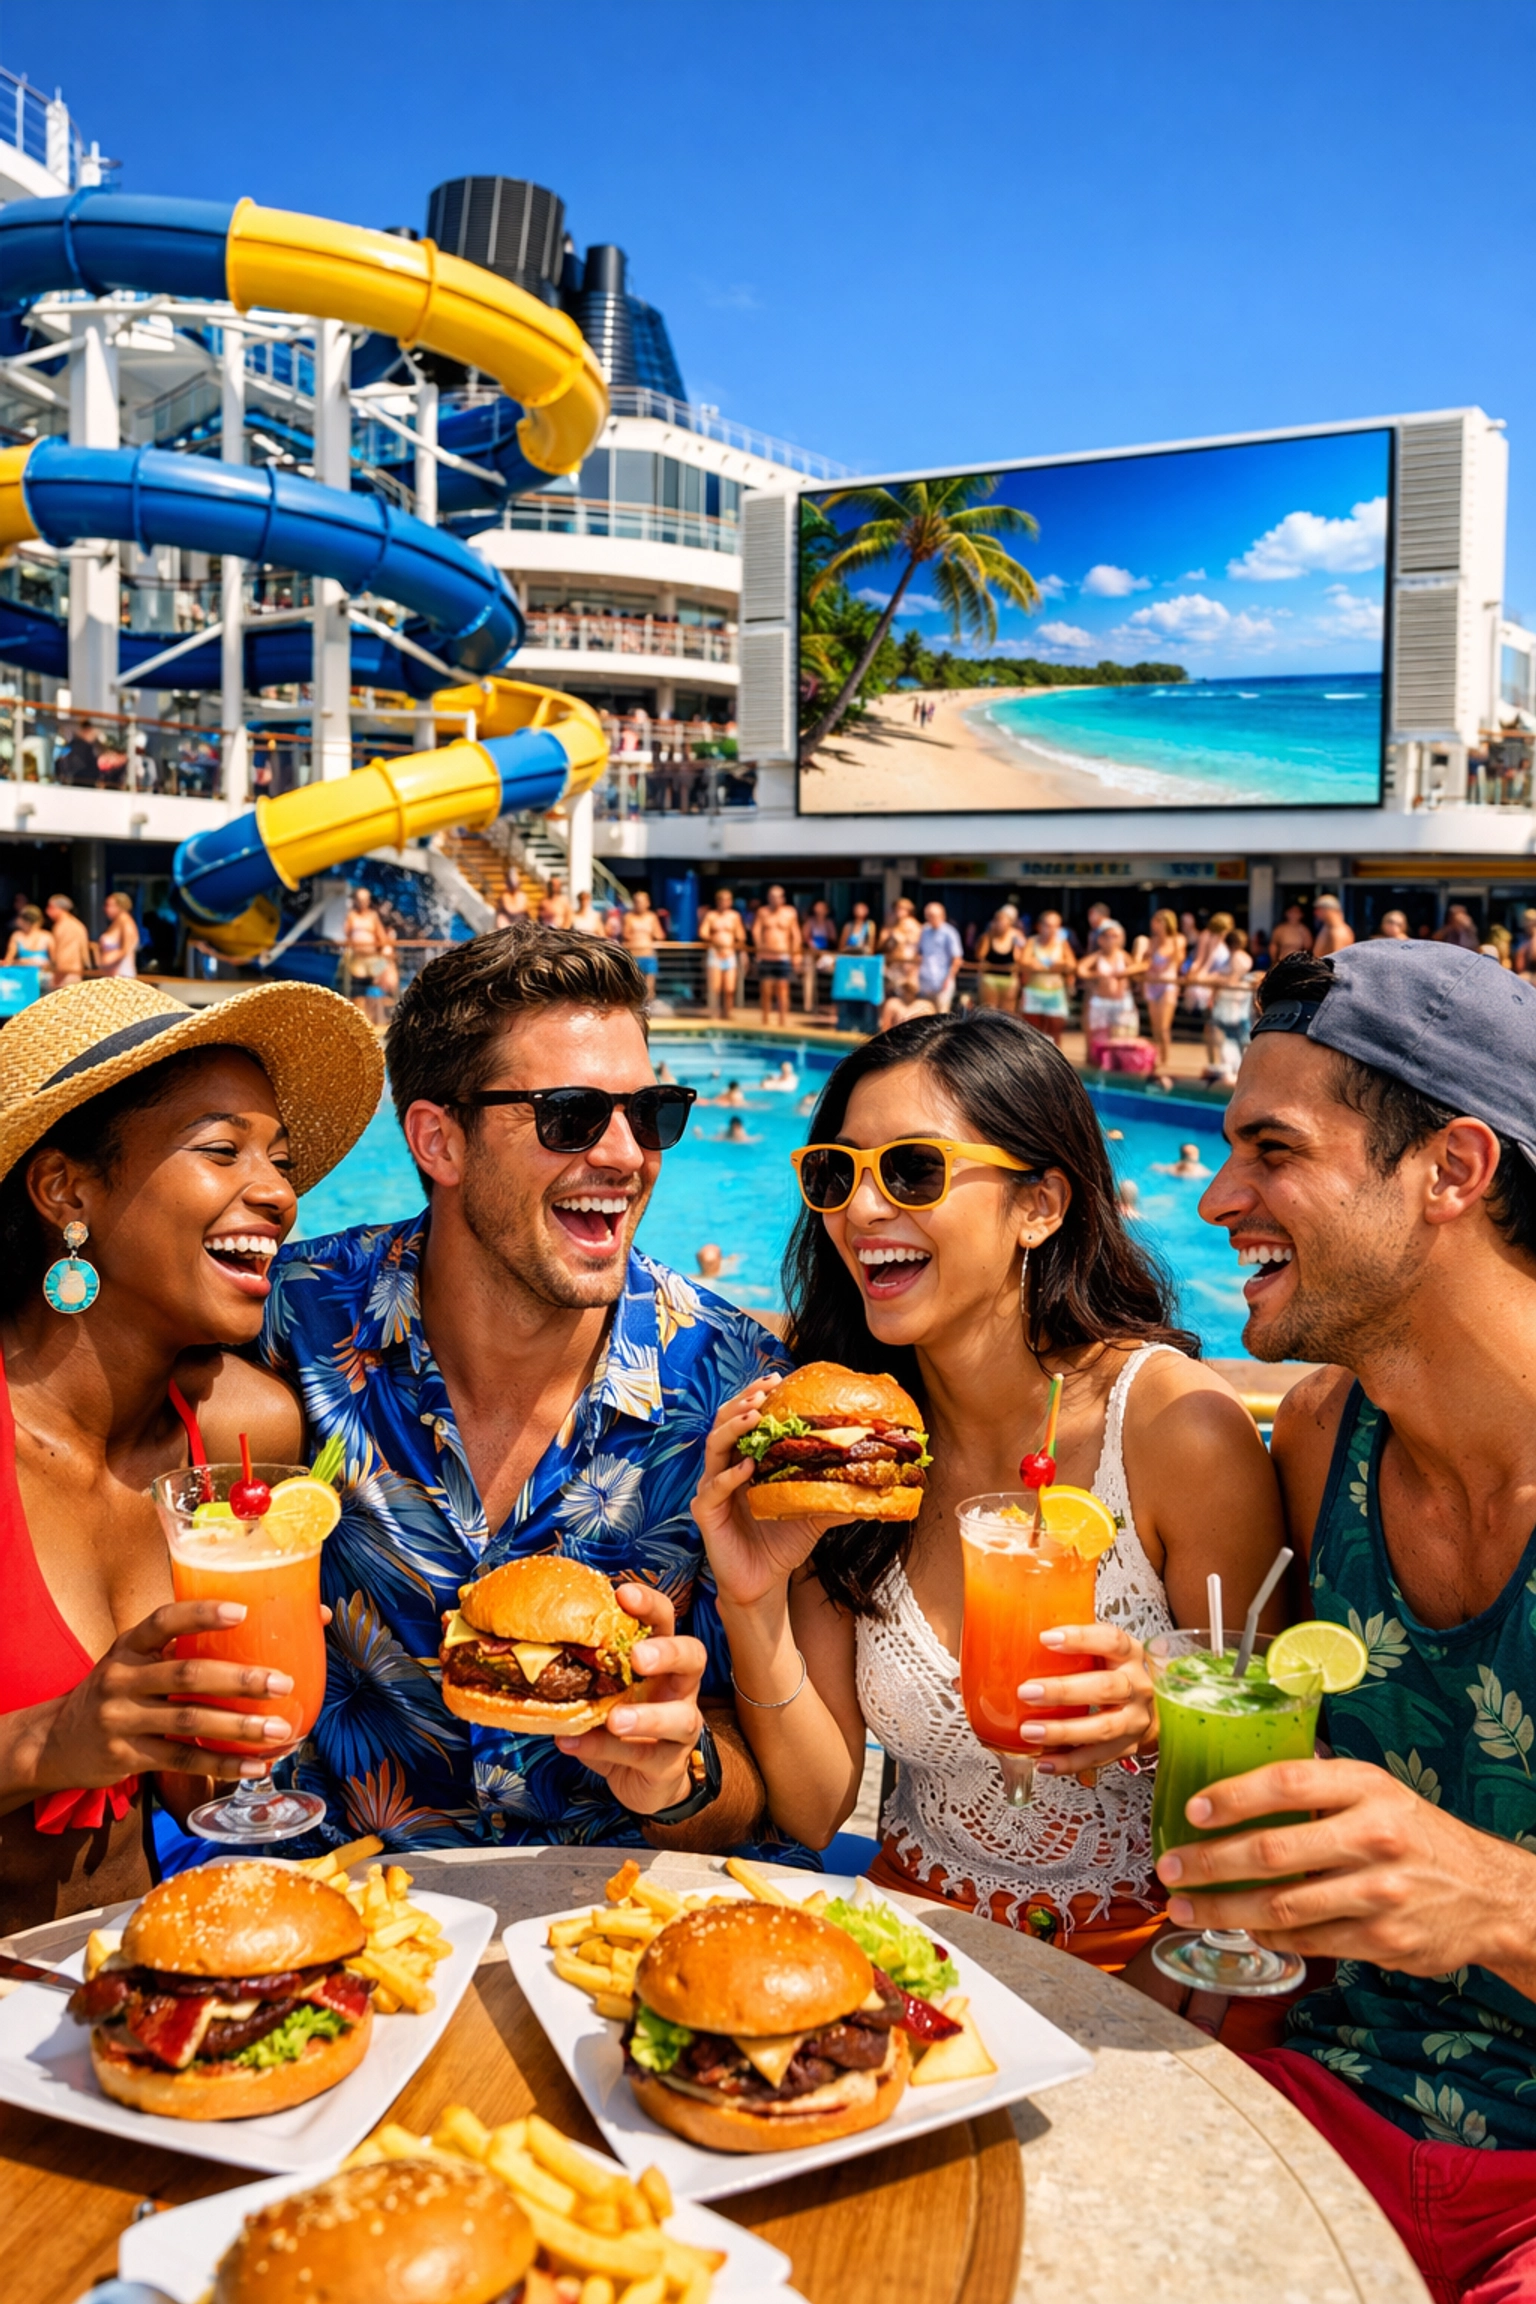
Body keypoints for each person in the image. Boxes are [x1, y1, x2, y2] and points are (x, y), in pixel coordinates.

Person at [691, 1010, 1285, 1968]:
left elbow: (1276, 1756)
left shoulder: (1176, 1431)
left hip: (1153, 1963)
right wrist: (753, 1598)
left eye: (913, 1170)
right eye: (837, 1175)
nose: (862, 1211)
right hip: (911, 1950)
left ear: (1040, 1205)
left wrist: (1160, 1713)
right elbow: (815, 1807)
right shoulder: (850, 1450)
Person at [261, 924, 792, 1859]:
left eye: (652, 1113)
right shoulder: (290, 1321)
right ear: (439, 1140)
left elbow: (772, 1805)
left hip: (608, 1924)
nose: (628, 1155)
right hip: (354, 1922)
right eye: (573, 1114)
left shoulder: (731, 1387)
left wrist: (681, 1775)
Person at [1173, 941, 1536, 2299]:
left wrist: (1501, 1902)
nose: (1218, 1199)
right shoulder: (1328, 1441)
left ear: (1454, 1169)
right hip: (1323, 2107)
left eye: (1273, 1150)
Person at [0, 976, 380, 1925]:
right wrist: (54, 1739)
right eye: (222, 1150)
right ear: (65, 1189)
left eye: (280, 1159)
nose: (279, 1194)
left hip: (120, 1996)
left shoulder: (243, 1431)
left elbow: (189, 1802)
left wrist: (240, 1738)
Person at [1077, 921, 1145, 1052]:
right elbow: (1081, 968)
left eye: (1116, 936)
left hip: (1121, 1002)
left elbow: (1138, 967)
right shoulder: (1097, 956)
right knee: (1099, 1039)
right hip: (1102, 1003)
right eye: (1109, 936)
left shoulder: (1123, 955)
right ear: (1101, 939)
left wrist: (1125, 972)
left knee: (1122, 1039)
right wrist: (1095, 974)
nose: (1112, 940)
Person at [1017, 910, 1076, 1048]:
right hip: (1034, 992)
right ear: (1040, 926)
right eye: (1048, 925)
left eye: (1056, 926)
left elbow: (1072, 965)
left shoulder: (1062, 943)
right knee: (1031, 1032)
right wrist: (1053, 967)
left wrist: (1059, 965)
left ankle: (1055, 1063)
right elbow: (1023, 963)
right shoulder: (1032, 942)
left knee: (1055, 1031)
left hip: (1054, 993)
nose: (1052, 930)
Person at [339, 887, 396, 1014]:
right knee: (355, 989)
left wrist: (384, 952)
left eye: (364, 899)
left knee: (378, 980)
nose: (362, 902)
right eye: (359, 899)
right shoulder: (351, 916)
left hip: (372, 961)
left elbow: (381, 937)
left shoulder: (373, 916)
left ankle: (379, 1009)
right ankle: (357, 1013)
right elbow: (346, 935)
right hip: (357, 961)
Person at [1141, 909, 1185, 1071]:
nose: (1154, 925)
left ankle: (1165, 1057)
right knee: (1155, 1025)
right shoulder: (1152, 941)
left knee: (1164, 1025)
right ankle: (1157, 1054)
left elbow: (1178, 961)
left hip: (1167, 983)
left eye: (1158, 922)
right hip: (1152, 983)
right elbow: (1147, 962)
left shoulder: (1177, 940)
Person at [753, 885, 802, 1029]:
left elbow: (796, 934)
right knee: (766, 990)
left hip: (783, 955)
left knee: (783, 990)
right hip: (767, 955)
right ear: (768, 898)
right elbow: (756, 930)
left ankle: (782, 1021)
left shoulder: (789, 912)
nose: (775, 899)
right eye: (772, 896)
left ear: (783, 898)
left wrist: (796, 954)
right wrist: (759, 947)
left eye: (778, 896)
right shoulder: (763, 912)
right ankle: (765, 1020)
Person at [702, 888, 746, 1020]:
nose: (724, 902)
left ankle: (727, 1013)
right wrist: (715, 941)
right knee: (715, 988)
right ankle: (715, 1013)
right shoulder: (711, 915)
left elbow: (741, 935)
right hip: (715, 954)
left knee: (729, 988)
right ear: (717, 901)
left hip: (729, 954)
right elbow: (703, 932)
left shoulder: (734, 916)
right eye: (722, 899)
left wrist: (734, 945)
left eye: (727, 899)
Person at [916, 902, 964, 1016]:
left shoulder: (950, 932)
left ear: (942, 915)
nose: (930, 918)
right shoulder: (924, 931)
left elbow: (957, 958)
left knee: (942, 1015)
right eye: (928, 915)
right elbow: (919, 954)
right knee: (924, 1014)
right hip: (925, 981)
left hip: (943, 981)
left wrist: (949, 978)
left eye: (933, 915)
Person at [974, 906, 1023, 1012]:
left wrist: (1017, 944)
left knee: (1007, 1011)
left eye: (1003, 922)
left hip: (1009, 978)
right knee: (989, 1010)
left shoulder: (1016, 936)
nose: (1001, 925)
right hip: (989, 977)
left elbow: (1020, 958)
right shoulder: (987, 936)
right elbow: (980, 955)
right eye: (998, 921)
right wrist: (988, 936)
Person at [621, 888, 663, 993]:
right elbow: (626, 935)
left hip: (648, 954)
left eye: (641, 902)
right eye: (637, 902)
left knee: (649, 987)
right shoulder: (629, 917)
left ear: (647, 903)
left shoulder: (652, 917)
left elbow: (659, 934)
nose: (639, 904)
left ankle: (648, 1007)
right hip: (635, 955)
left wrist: (649, 933)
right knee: (634, 987)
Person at [44, 897, 91, 988]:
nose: (47, 911)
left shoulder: (66, 926)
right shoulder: (75, 924)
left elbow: (65, 957)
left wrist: (56, 978)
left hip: (67, 975)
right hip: (72, 973)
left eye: (49, 907)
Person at [802, 899, 837, 1018]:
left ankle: (832, 1003)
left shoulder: (829, 923)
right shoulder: (810, 921)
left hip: (825, 953)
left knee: (833, 972)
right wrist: (812, 945)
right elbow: (805, 936)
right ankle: (808, 1005)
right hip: (812, 953)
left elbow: (833, 938)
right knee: (808, 976)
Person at [5, 904, 53, 988]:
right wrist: (20, 962)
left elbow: (55, 962)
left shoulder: (47, 937)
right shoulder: (17, 936)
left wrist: (44, 965)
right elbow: (8, 961)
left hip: (43, 979)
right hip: (22, 978)